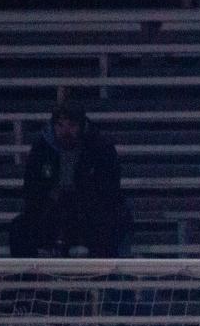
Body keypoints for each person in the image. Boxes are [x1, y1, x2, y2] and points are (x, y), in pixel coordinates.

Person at [9, 100, 132, 257]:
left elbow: (110, 189)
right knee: (19, 228)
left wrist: (83, 197)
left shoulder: (100, 147)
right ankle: (28, 278)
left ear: (81, 126)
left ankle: (104, 276)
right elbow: (31, 187)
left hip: (91, 211)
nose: (66, 132)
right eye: (60, 126)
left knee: (110, 224)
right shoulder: (41, 148)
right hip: (51, 209)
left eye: (71, 126)